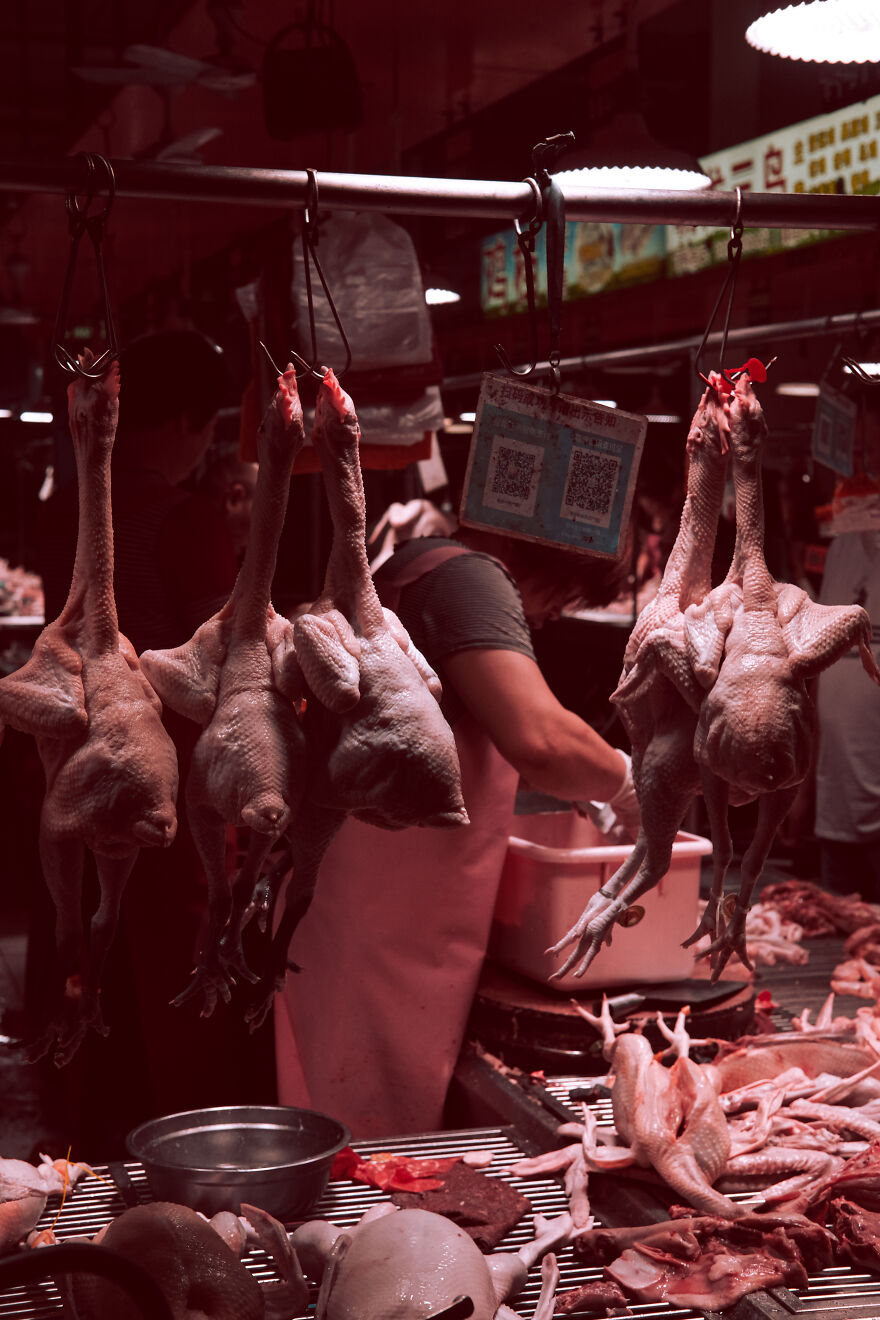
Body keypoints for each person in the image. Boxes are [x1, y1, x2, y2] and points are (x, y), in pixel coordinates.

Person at [274, 521, 640, 1139]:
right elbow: (542, 740)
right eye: (569, 593)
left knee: (337, 1127)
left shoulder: (415, 562)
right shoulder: (471, 578)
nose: (556, 614)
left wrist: (584, 782)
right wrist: (629, 783)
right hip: (392, 928)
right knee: (377, 1150)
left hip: (349, 905)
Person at [30, 329, 276, 1156]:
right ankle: (191, 1158)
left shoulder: (64, 512)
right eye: (207, 427)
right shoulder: (186, 518)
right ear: (179, 424)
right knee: (182, 978)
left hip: (77, 767)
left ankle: (88, 1149)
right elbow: (226, 661)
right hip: (166, 780)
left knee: (90, 952)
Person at [814, 527, 880, 898]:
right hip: (835, 800)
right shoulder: (842, 543)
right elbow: (818, 667)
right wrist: (802, 792)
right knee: (838, 919)